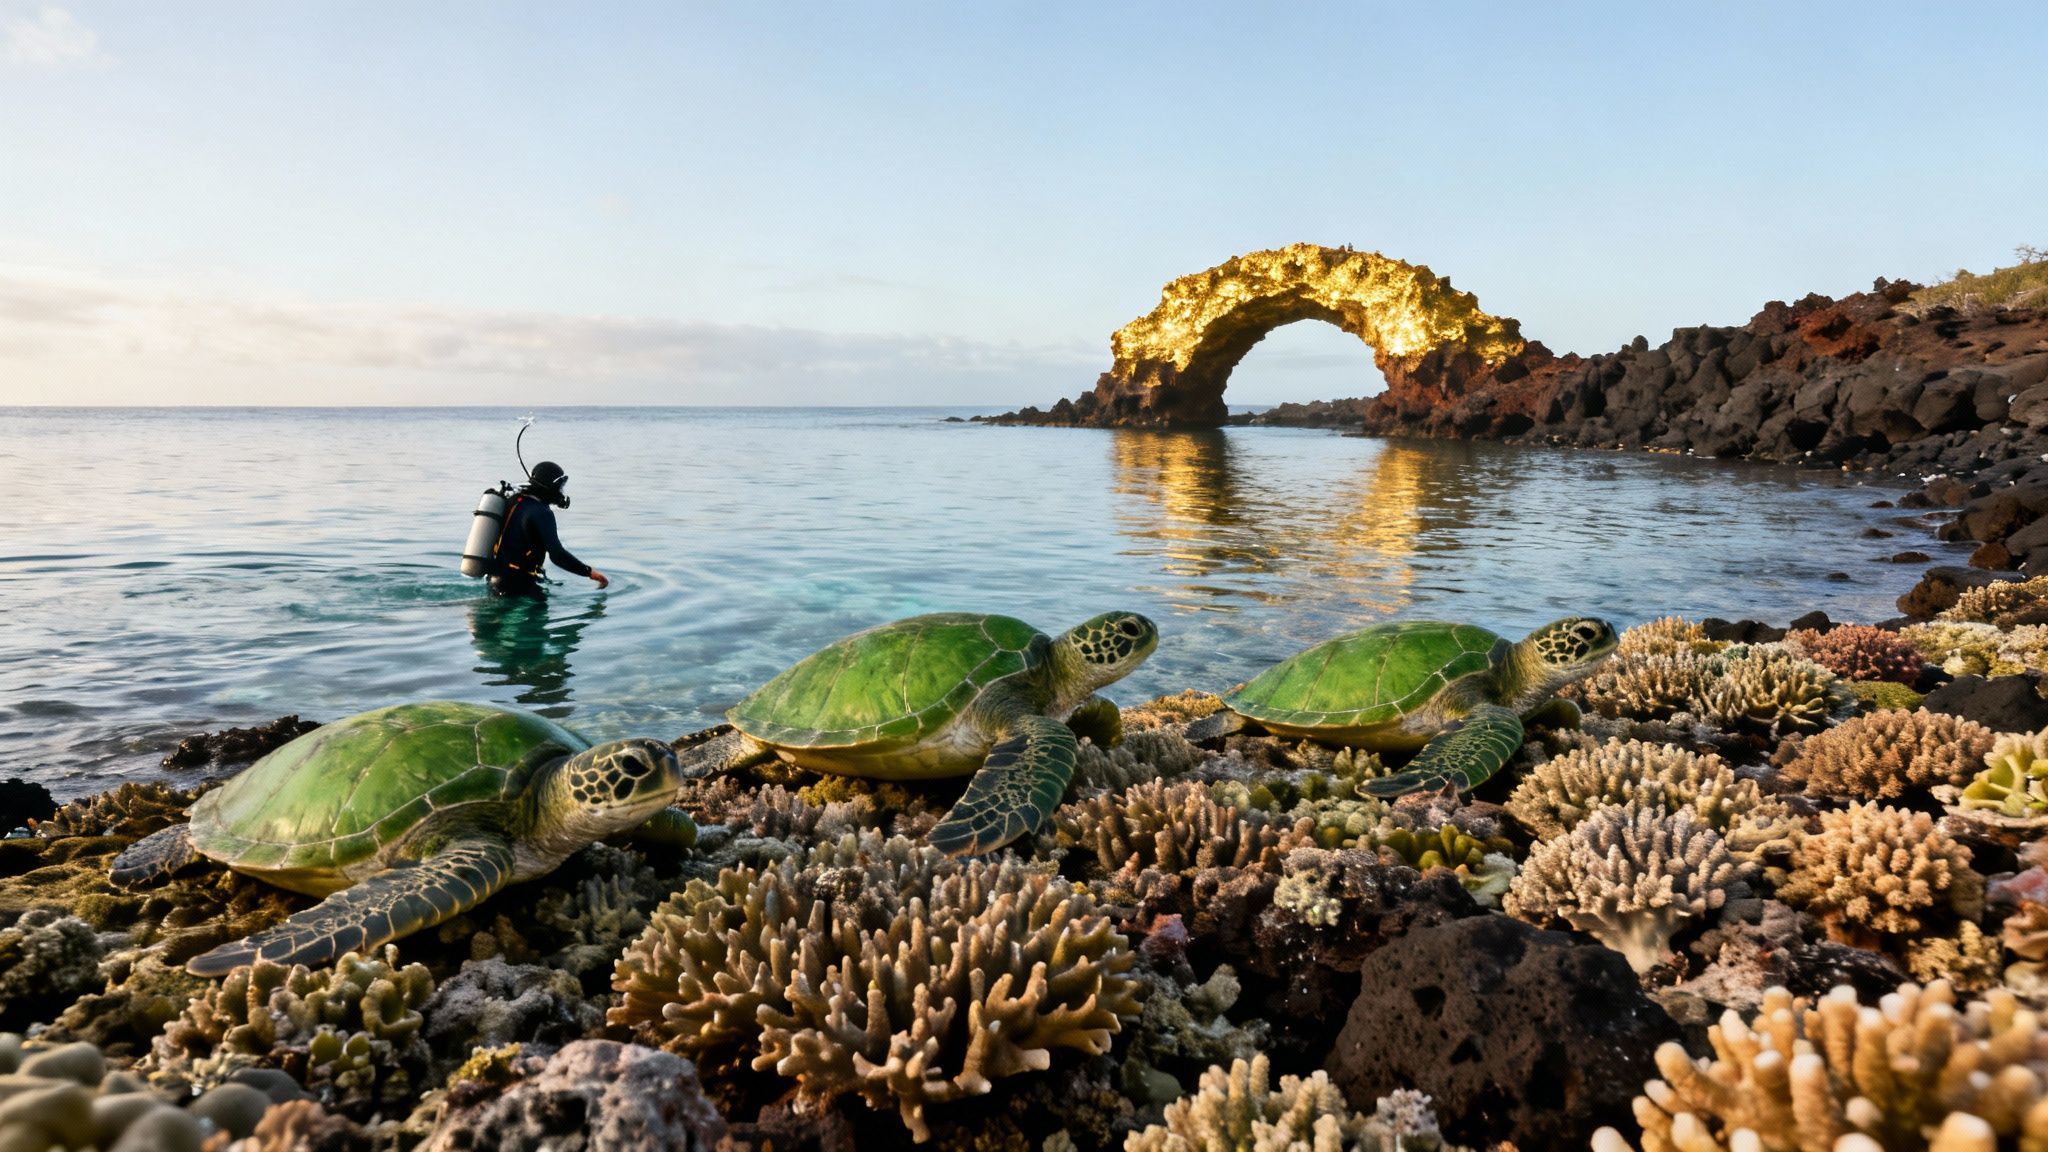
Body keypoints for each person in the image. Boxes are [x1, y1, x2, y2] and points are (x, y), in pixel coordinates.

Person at [487, 461, 610, 598]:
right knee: (538, 614)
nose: (561, 492)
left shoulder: (515, 500)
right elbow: (557, 555)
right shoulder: (542, 513)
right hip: (518, 584)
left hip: (495, 577)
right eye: (560, 486)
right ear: (550, 486)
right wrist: (589, 572)